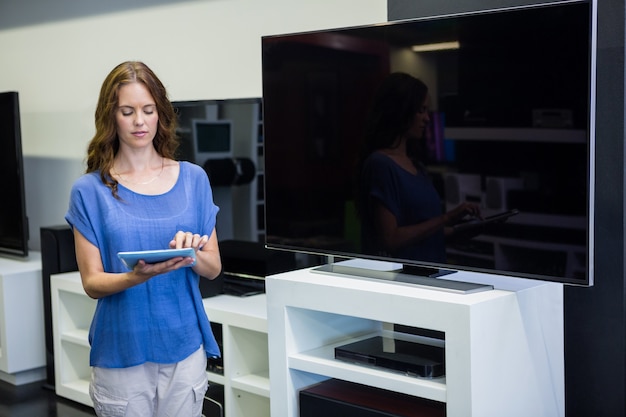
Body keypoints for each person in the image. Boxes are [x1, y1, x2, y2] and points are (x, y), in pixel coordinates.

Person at [65, 61, 221, 417]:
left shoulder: (194, 179)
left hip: (184, 348)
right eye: (128, 111)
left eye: (148, 110)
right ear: (111, 117)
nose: (139, 121)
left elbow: (213, 268)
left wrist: (191, 252)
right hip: (121, 353)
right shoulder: (88, 191)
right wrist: (140, 275)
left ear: (160, 114)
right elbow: (92, 282)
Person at [356, 72, 480, 264]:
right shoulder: (380, 165)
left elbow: (422, 230)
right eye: (421, 110)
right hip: (404, 282)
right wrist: (446, 218)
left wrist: (460, 230)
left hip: (431, 276)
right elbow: (391, 239)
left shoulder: (417, 166)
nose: (427, 119)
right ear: (401, 112)